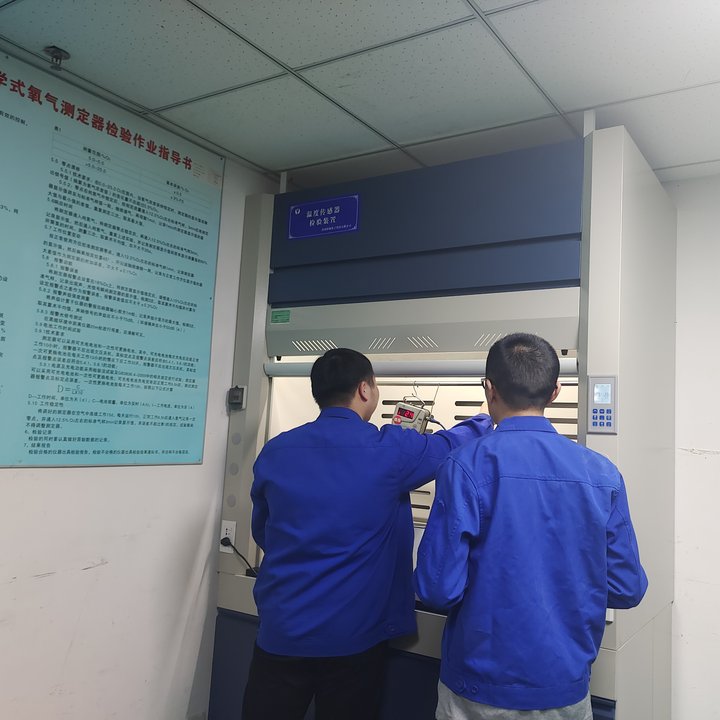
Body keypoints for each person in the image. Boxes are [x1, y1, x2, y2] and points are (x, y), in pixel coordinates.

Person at [242, 347, 493, 720]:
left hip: (280, 630)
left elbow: (263, 531)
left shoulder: (275, 451)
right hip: (352, 639)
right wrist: (485, 416)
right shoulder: (389, 449)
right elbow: (449, 445)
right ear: (364, 389)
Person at [414, 333, 648, 720]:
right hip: (565, 689)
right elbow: (627, 588)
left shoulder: (463, 466)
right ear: (555, 392)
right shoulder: (603, 474)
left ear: (489, 389)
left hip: (478, 692)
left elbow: (438, 590)